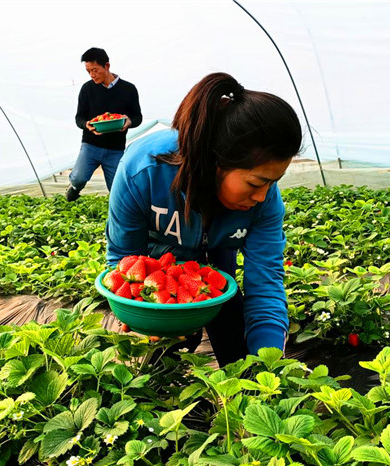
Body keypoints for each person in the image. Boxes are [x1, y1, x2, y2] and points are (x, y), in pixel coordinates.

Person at [105, 72, 302, 367]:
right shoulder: (141, 172)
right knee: (158, 363)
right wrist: (138, 313)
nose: (262, 196)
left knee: (236, 345)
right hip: (160, 274)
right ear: (215, 162)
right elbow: (124, 261)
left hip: (215, 269)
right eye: (255, 182)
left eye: (272, 182)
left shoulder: (264, 203)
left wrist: (268, 361)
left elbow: (265, 285)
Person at [66, 47, 142, 201]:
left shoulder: (129, 89)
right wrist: (86, 124)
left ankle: (117, 215)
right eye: (88, 71)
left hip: (115, 149)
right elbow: (79, 117)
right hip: (91, 144)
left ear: (107, 66)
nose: (92, 75)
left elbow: (137, 117)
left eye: (95, 70)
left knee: (117, 190)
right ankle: (74, 187)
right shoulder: (87, 89)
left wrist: (129, 122)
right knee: (78, 178)